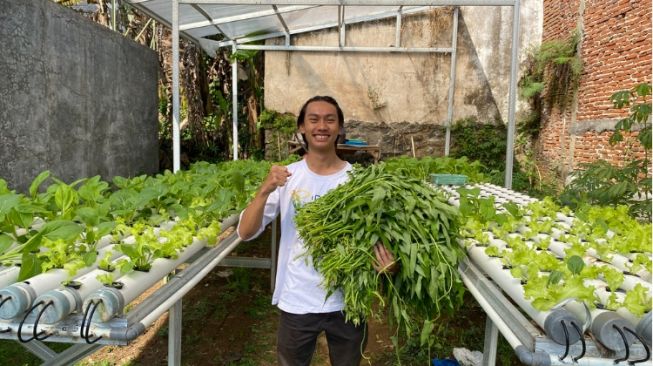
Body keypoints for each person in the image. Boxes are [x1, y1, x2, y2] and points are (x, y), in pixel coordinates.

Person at [237, 95, 396, 366]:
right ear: (302, 127)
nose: (321, 126)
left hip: (347, 301)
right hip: (297, 298)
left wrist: (387, 264)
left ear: (339, 128)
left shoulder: (359, 181)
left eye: (329, 119)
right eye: (314, 119)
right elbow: (245, 232)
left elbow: (375, 240)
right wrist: (264, 190)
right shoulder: (286, 177)